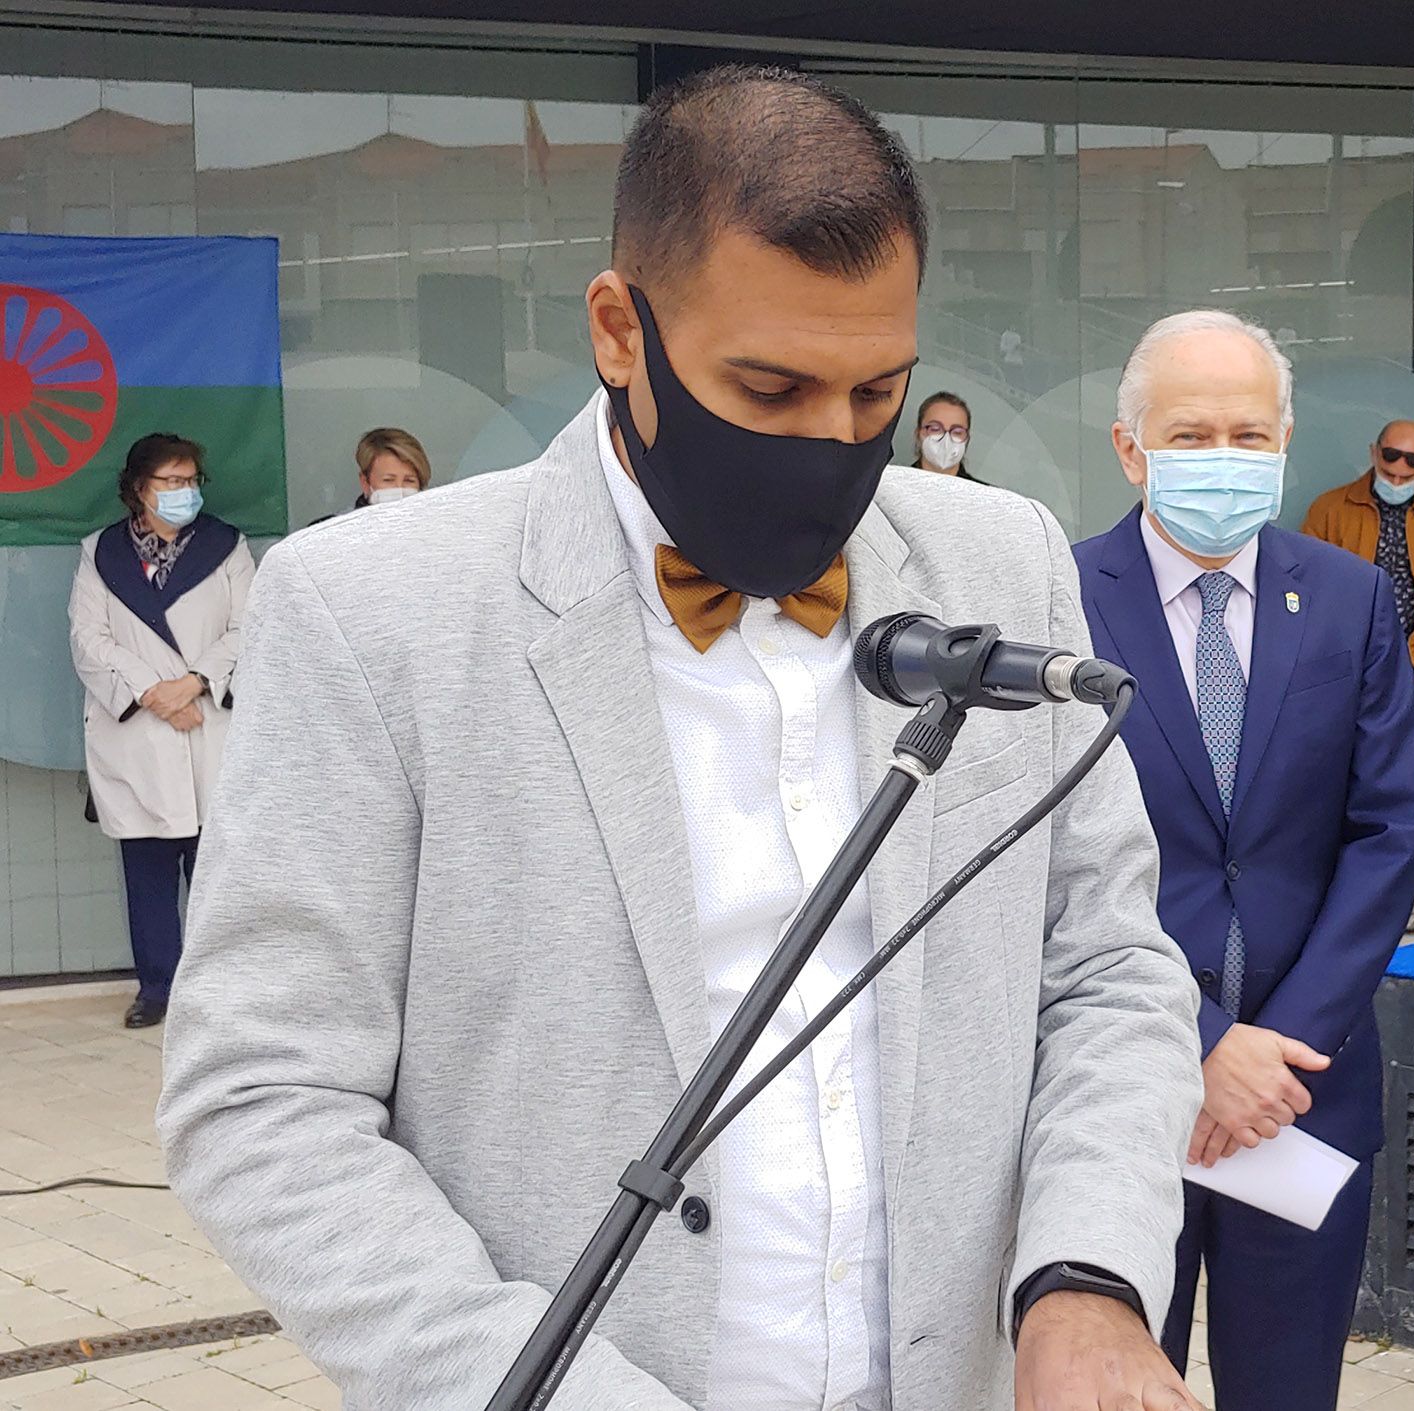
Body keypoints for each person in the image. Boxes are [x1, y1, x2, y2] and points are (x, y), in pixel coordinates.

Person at [156, 66, 1203, 1411]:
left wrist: (1088, 1281)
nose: (832, 442)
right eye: (768, 387)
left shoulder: (997, 561)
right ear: (617, 330)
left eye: (876, 390)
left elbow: (1107, 965)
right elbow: (261, 1097)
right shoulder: (371, 613)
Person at [1073, 310, 1414, 1411]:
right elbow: (1041, 864)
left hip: (1299, 1096)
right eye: (1191, 435)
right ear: (1131, 450)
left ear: (1282, 443)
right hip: (1120, 1090)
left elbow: (1390, 833)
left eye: (1248, 433)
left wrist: (1274, 1051)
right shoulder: (1062, 601)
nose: (1222, 459)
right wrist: (1201, 1045)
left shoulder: (1351, 597)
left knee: (1287, 1389)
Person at [66, 432, 254, 1029]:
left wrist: (195, 681)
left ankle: (220, 993)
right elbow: (89, 641)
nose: (183, 492)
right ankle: (159, 988)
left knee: (216, 873)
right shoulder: (100, 553)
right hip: (141, 733)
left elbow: (251, 627)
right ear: (138, 489)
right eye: (170, 481)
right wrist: (157, 693)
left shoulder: (228, 547)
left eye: (191, 480)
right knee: (146, 871)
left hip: (209, 725)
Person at [1299, 418, 1414, 728]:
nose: (1397, 482)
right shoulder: (1330, 509)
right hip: (1343, 660)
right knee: (1333, 760)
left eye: (1408, 475)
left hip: (1412, 661)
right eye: (1388, 472)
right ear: (1374, 453)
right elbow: (1302, 583)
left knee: (1401, 766)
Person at [911, 389, 985, 482]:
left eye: (957, 432)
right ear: (918, 433)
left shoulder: (983, 494)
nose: (946, 440)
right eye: (935, 429)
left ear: (967, 439)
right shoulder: (893, 486)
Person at [355, 426, 432, 507]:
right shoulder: (349, 519)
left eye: (409, 480)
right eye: (388, 480)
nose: (399, 488)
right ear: (365, 483)